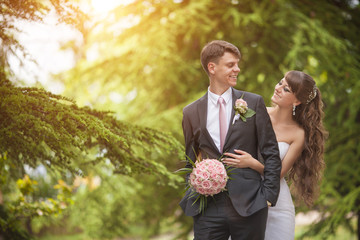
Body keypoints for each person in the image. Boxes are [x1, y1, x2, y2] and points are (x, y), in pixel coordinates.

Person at [179, 40, 282, 240]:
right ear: (212, 67)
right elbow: (189, 159)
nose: (237, 69)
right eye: (231, 65)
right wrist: (193, 191)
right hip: (207, 207)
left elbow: (271, 152)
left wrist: (268, 196)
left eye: (237, 64)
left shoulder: (253, 102)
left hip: (251, 204)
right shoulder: (191, 112)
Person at [223, 70, 327, 240]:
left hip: (277, 204)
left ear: (297, 101)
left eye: (287, 89)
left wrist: (251, 163)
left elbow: (278, 173)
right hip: (246, 195)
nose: (278, 88)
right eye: (280, 83)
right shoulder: (256, 112)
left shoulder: (298, 134)